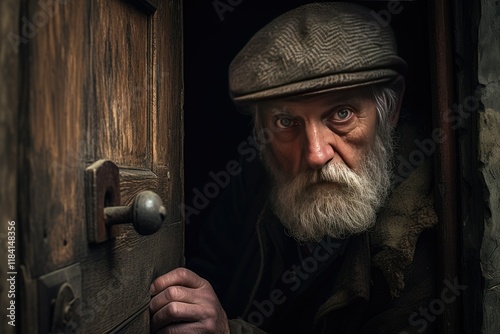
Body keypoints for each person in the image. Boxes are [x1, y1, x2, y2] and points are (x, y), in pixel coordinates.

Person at [150, 2, 438, 333]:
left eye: (341, 114)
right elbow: (208, 271)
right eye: (286, 121)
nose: (315, 154)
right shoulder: (256, 177)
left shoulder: (413, 237)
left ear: (390, 107)